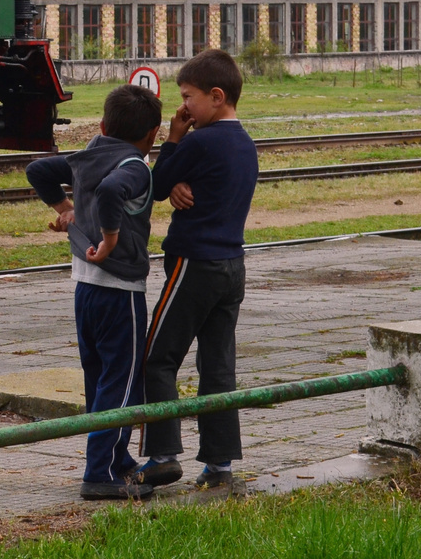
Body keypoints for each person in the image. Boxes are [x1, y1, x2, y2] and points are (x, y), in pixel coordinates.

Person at [26, 84, 164, 500]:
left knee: (99, 380)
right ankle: (100, 474)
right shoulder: (137, 166)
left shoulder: (88, 154)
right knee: (121, 384)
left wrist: (63, 209)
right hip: (120, 290)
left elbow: (38, 170)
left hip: (84, 288)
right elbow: (110, 191)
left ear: (103, 125)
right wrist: (109, 238)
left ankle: (117, 460)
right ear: (152, 135)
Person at [137, 48, 259, 491]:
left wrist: (171, 140)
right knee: (218, 365)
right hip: (232, 267)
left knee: (157, 357)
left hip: (195, 265)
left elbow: (151, 187)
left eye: (188, 97)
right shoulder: (244, 143)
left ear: (216, 96)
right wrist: (179, 184)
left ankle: (163, 455)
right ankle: (220, 464)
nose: (183, 106)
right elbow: (185, 184)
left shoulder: (200, 140)